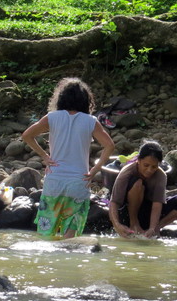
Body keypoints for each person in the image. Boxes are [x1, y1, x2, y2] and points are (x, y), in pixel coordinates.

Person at [22, 77, 115, 239]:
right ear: (86, 101)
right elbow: (109, 145)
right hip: (78, 181)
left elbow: (27, 135)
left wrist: (44, 156)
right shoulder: (90, 121)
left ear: (61, 98)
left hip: (54, 180)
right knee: (70, 234)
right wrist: (95, 169)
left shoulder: (52, 117)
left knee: (46, 232)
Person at [108, 141, 177, 239]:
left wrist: (153, 227)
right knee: (138, 184)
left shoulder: (161, 175)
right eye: (146, 165)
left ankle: (155, 228)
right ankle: (134, 223)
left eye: (154, 167)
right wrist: (117, 225)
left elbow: (157, 204)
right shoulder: (127, 172)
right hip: (128, 212)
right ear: (139, 160)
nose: (149, 170)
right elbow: (114, 202)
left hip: (148, 212)